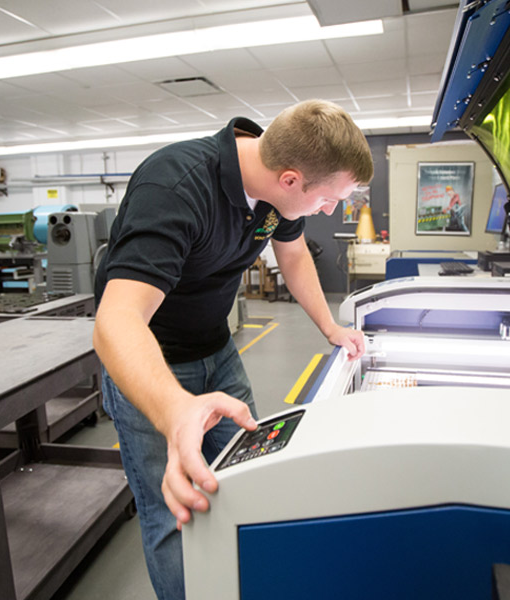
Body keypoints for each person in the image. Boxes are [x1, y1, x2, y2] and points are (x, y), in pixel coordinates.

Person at [92, 99, 374, 600]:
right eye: (329, 200)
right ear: (290, 180)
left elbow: (291, 254)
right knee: (173, 516)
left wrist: (331, 326)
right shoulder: (175, 187)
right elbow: (116, 320)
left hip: (217, 353)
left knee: (248, 476)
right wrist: (175, 409)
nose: (329, 211)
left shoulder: (275, 189)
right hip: (152, 370)